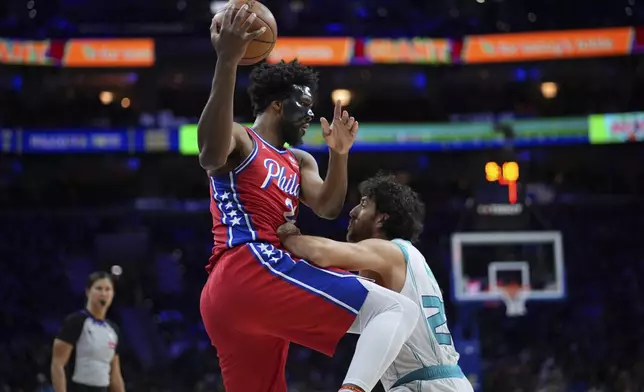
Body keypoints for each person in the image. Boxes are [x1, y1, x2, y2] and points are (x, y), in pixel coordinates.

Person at [198, 5, 420, 392]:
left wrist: (339, 153)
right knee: (395, 308)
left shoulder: (298, 161)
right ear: (277, 105)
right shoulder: (240, 139)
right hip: (250, 264)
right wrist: (228, 61)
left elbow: (330, 207)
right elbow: (208, 154)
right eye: (303, 103)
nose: (310, 113)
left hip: (229, 298)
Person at [277, 174, 474, 392]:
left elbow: (321, 253)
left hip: (425, 385)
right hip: (438, 383)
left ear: (381, 219)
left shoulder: (389, 250)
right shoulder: (404, 258)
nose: (352, 212)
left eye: (363, 204)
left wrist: (289, 237)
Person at [51, 272, 125, 392]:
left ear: (113, 294)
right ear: (88, 291)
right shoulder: (75, 321)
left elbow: (115, 374)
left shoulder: (113, 330)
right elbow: (58, 364)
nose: (103, 293)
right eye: (99, 288)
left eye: (108, 289)